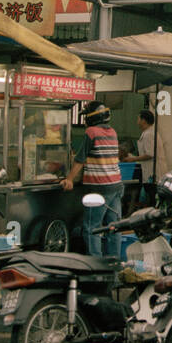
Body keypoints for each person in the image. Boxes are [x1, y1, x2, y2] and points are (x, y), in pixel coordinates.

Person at [61, 101, 124, 259]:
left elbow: (80, 159)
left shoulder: (91, 132)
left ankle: (96, 265)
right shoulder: (113, 132)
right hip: (116, 186)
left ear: (91, 117)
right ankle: (113, 265)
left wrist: (69, 179)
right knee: (113, 227)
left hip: (99, 188)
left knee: (91, 228)